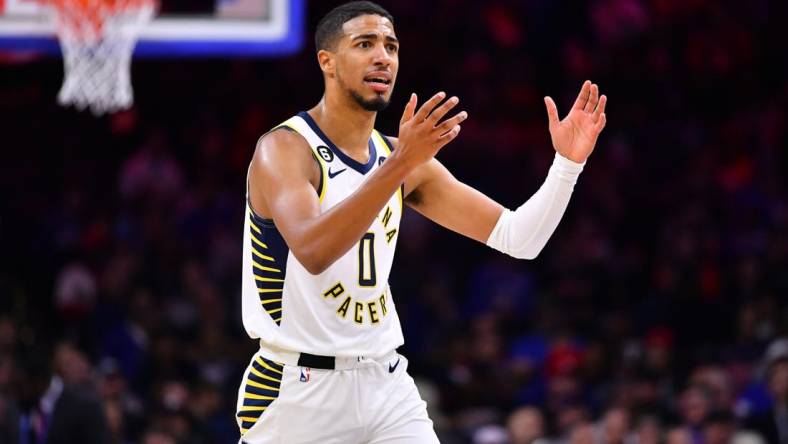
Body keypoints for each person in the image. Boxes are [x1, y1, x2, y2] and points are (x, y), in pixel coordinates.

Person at [236, 1, 608, 443]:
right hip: (298, 388)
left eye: (391, 46)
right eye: (365, 44)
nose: (383, 57)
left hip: (385, 381)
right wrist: (398, 164)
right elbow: (313, 251)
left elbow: (518, 238)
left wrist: (567, 165)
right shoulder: (284, 149)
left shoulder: (401, 157)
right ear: (327, 62)